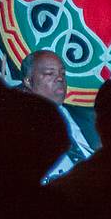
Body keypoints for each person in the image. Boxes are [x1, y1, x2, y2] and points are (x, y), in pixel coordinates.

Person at [18, 50, 100, 185]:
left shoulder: (91, 117)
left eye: (62, 73)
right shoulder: (17, 125)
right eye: (50, 74)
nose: (60, 78)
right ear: (28, 81)